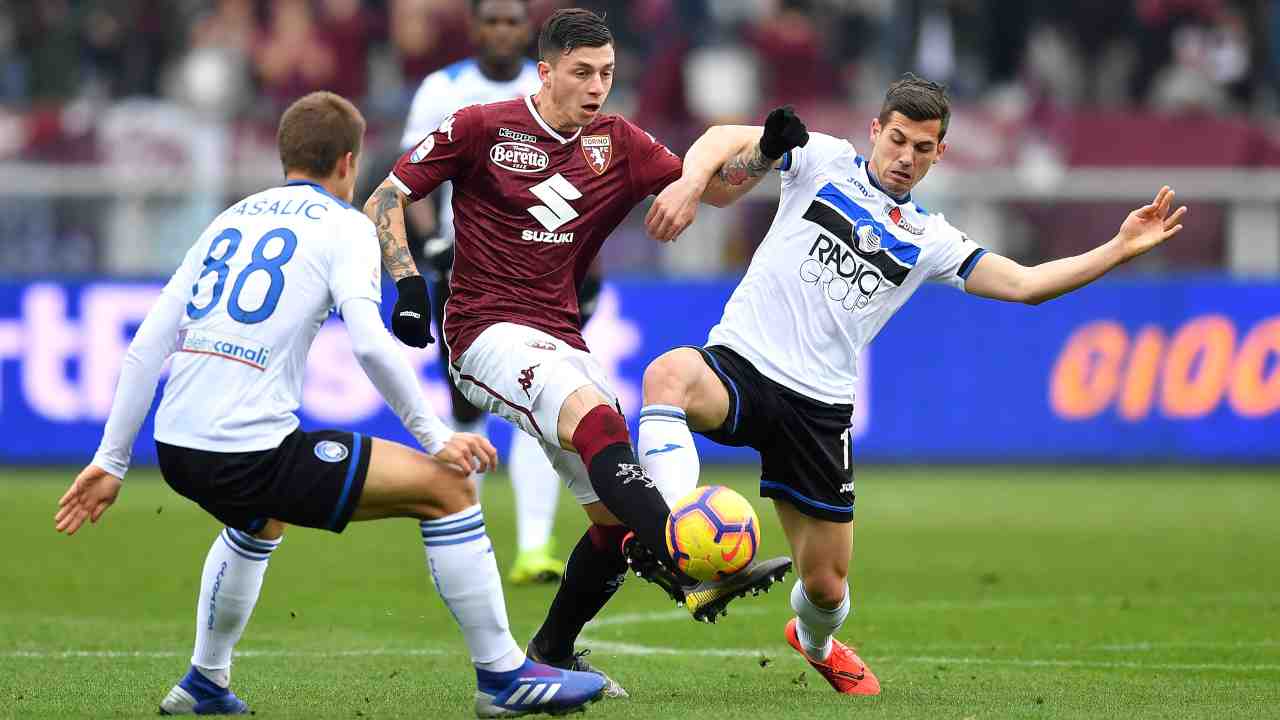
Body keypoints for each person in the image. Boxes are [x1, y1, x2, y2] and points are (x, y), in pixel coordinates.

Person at [53, 91, 605, 718]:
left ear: (284, 154)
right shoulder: (346, 226)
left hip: (179, 447)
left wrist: (112, 461)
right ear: (349, 162)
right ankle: (504, 677)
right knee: (448, 489)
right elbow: (370, 346)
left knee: (258, 520)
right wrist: (435, 436)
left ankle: (204, 683)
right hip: (248, 450)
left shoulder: (231, 219)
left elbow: (147, 346)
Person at [637, 74, 1187, 696]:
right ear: (875, 131)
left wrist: (1118, 246)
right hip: (742, 364)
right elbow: (716, 142)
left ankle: (815, 641)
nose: (906, 157)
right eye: (897, 140)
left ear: (939, 153)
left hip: (819, 409)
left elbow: (1026, 285)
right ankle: (674, 542)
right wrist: (695, 180)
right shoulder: (820, 158)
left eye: (923, 148)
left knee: (826, 587)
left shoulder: (931, 238)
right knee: (669, 375)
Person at [366, 8, 795, 698]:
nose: (598, 87)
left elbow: (709, 190)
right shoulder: (481, 126)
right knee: (596, 421)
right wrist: (410, 284)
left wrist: (766, 153)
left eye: (608, 73)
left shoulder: (618, 142)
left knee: (610, 519)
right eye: (582, 73)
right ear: (547, 72)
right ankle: (691, 565)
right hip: (483, 331)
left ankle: (555, 649)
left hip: (562, 335)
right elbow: (386, 196)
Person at [399, 0, 578, 586]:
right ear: (475, 29)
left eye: (512, 22)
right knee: (465, 407)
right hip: (467, 268)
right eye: (492, 21)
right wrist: (428, 250)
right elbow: (414, 178)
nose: (503, 31)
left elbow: (584, 175)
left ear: (528, 31)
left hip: (544, 267)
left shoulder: (549, 85)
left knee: (540, 404)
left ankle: (533, 548)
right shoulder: (441, 89)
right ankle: (465, 539)